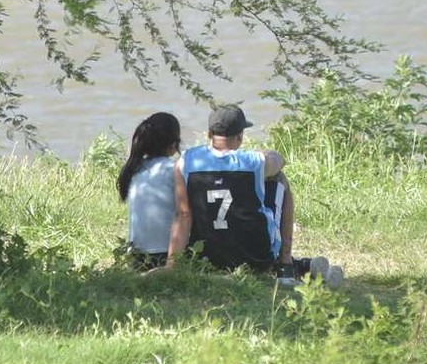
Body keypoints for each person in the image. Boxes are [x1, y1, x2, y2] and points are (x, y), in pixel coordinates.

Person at [167, 105, 341, 286]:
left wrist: (171, 264)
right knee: (279, 179)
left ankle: (298, 266)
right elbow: (279, 160)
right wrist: (263, 154)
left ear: (210, 134)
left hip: (205, 257)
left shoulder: (186, 160)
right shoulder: (254, 161)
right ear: (240, 136)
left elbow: (183, 215)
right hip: (256, 258)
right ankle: (285, 267)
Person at [117, 112, 182, 269]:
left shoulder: (134, 169)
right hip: (167, 254)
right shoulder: (173, 169)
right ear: (173, 143)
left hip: (137, 254)